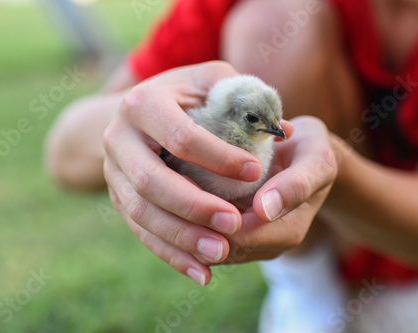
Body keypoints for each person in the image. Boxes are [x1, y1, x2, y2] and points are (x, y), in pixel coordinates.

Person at [45, 0, 418, 331]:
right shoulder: (227, 8)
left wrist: (338, 173)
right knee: (272, 21)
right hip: (327, 271)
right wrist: (131, 125)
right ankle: (306, 286)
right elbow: (63, 153)